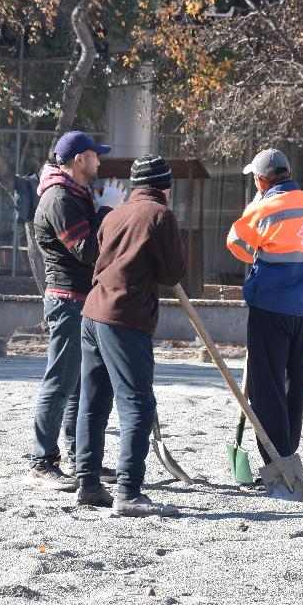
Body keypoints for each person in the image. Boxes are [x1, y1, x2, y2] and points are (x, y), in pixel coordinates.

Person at [75, 155, 186, 516]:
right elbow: (172, 274)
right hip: (124, 316)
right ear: (164, 186)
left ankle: (88, 484)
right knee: (137, 403)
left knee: (93, 403)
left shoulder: (115, 214)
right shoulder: (160, 216)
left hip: (93, 312)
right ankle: (128, 492)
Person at [26, 131, 125, 491]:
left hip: (81, 297)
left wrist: (101, 208)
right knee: (60, 381)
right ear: (80, 158)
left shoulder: (75, 194)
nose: (100, 161)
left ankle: (81, 459)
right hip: (68, 299)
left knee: (80, 384)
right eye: (95, 155)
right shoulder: (59, 198)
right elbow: (87, 251)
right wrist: (108, 210)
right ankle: (41, 461)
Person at [226, 149, 303, 485]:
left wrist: (260, 252)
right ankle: (288, 454)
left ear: (260, 180)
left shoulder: (263, 206)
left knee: (267, 388)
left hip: (271, 306)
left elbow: (235, 242)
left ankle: (276, 463)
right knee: (295, 387)